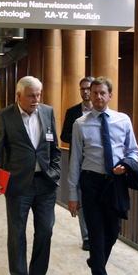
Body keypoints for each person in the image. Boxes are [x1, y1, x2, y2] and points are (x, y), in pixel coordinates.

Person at [67, 76, 138, 275]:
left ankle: (95, 262)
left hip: (115, 183)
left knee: (113, 232)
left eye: (102, 93)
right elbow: (75, 160)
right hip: (91, 183)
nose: (97, 96)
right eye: (94, 92)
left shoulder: (123, 120)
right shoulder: (80, 123)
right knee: (96, 234)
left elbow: (134, 152)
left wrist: (126, 164)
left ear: (110, 95)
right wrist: (72, 195)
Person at [0, 76, 61, 275]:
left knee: (45, 231)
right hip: (18, 185)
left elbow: (55, 148)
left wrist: (55, 171)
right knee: (17, 234)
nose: (36, 99)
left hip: (45, 184)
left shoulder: (47, 112)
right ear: (19, 96)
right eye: (32, 95)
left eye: (39, 94)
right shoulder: (4, 116)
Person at [60, 76, 95, 251]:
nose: (85, 91)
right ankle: (87, 237)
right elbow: (63, 135)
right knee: (80, 198)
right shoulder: (73, 112)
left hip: (96, 163)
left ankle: (97, 234)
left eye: (88, 88)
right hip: (78, 162)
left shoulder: (101, 112)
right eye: (82, 88)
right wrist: (77, 136)